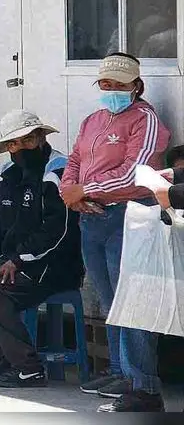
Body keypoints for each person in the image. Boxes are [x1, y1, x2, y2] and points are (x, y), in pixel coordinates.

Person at [59, 52, 170, 413]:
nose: (110, 90)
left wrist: (84, 191)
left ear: (135, 86)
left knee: (132, 302)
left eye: (119, 85)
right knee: (110, 302)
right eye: (105, 84)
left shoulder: (146, 120)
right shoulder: (94, 120)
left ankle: (144, 384)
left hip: (128, 217)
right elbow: (74, 160)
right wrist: (70, 193)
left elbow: (134, 174)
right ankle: (121, 372)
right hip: (92, 218)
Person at [0, 110, 84, 388]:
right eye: (13, 143)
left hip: (53, 266)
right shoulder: (9, 178)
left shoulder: (57, 171)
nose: (19, 148)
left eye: (26, 141)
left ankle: (29, 368)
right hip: (14, 262)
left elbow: (58, 231)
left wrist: (19, 259)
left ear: (39, 138)